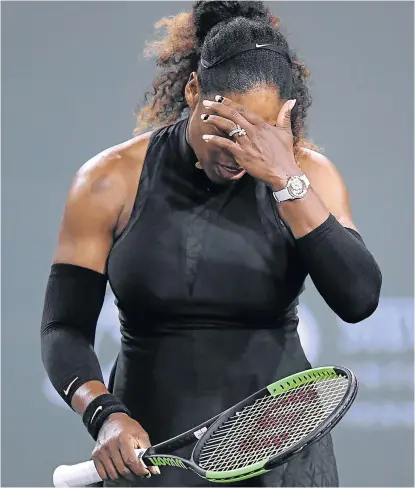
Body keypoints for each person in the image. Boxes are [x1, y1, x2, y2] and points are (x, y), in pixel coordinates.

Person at [41, 1, 382, 486]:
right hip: (153, 460)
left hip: (280, 461)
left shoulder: (309, 177)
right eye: (226, 128)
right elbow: (63, 328)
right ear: (194, 90)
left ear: (286, 117)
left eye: (259, 132)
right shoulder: (108, 181)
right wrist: (104, 414)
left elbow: (359, 299)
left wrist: (286, 178)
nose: (239, 150)